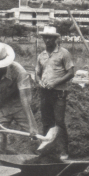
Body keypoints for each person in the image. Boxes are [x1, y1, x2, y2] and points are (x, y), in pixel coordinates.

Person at [0, 41, 38, 166]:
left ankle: (40, 166)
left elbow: (24, 99)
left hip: (19, 106)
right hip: (1, 108)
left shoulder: (19, 71)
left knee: (36, 138)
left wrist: (31, 124)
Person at [34, 26, 75, 159]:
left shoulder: (64, 53)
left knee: (59, 122)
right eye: (45, 37)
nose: (47, 40)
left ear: (56, 39)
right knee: (46, 122)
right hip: (45, 93)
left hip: (59, 93)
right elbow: (37, 73)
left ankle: (63, 151)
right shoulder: (41, 55)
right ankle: (47, 150)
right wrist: (39, 81)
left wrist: (55, 82)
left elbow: (70, 73)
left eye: (50, 37)